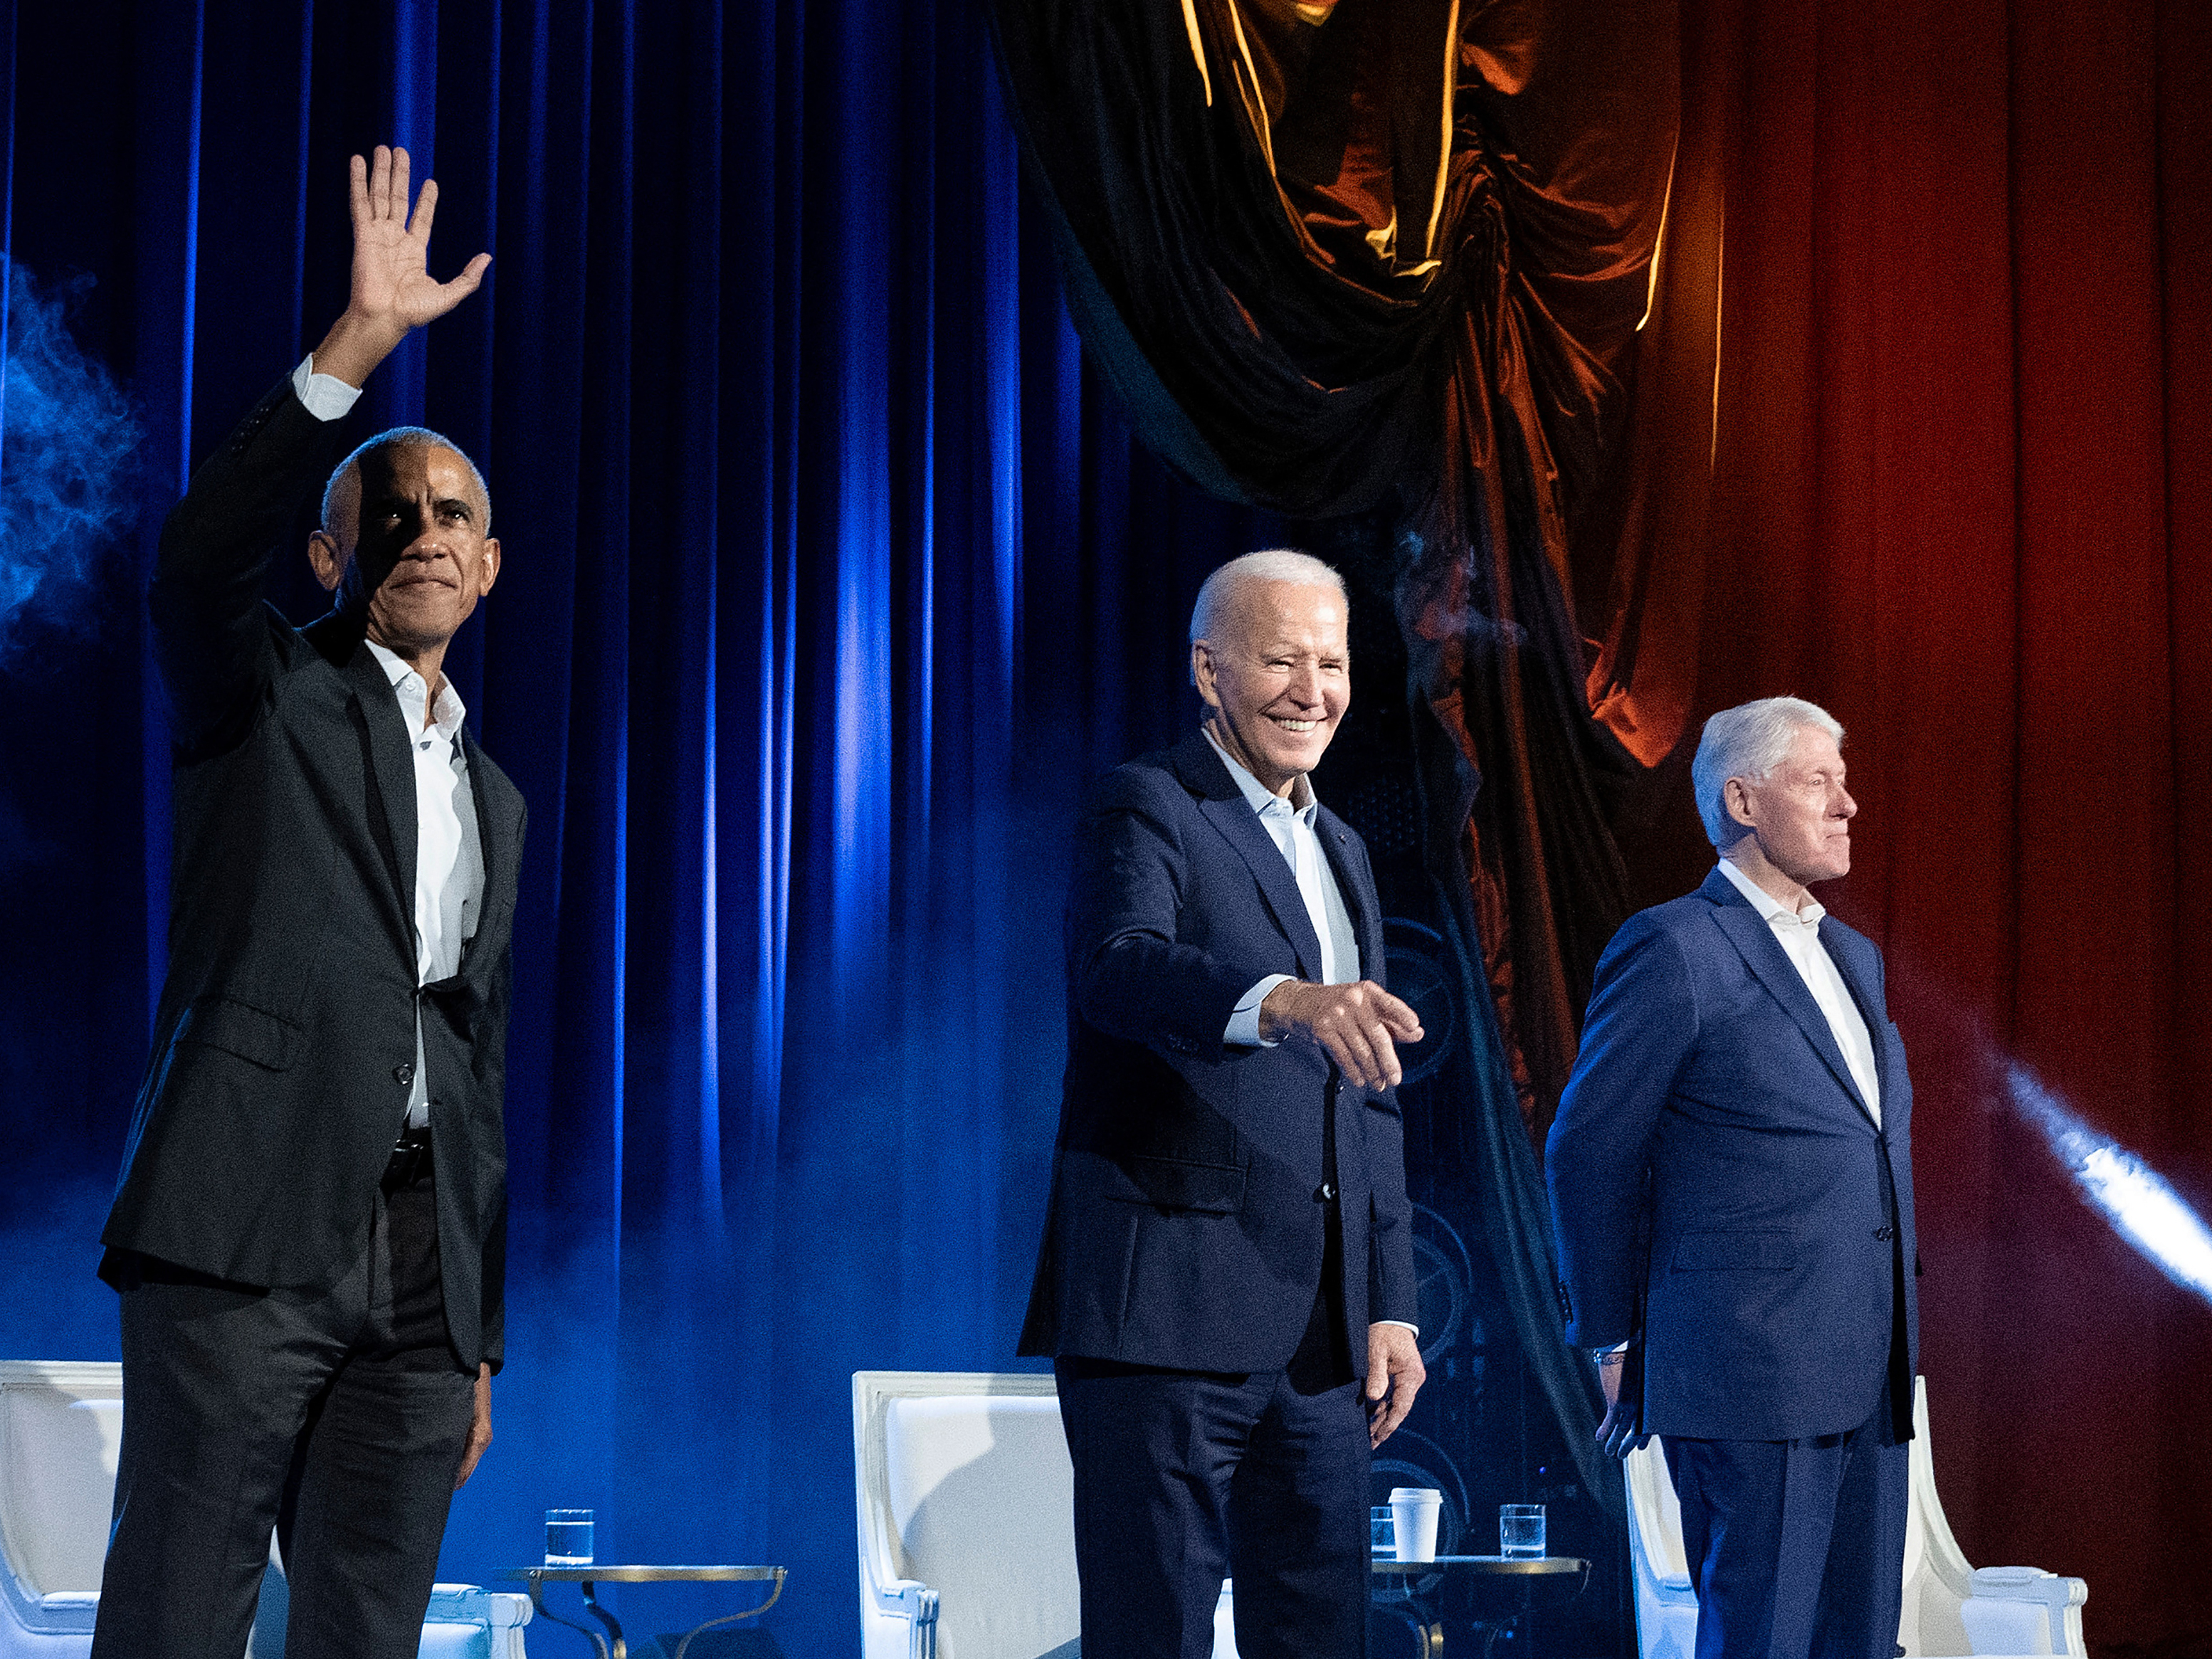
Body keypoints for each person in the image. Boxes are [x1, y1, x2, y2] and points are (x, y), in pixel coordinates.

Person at [92, 145, 523, 1659]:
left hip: (418, 1272)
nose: (424, 531)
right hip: (245, 1223)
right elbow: (199, 558)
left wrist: (478, 1325)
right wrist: (354, 350)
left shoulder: (500, 795)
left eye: (451, 513)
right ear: (335, 553)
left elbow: (476, 1056)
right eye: (387, 514)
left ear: (487, 564)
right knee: (178, 1616)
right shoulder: (265, 691)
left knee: (368, 1629)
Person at [1019, 549, 1428, 1659]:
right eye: (1281, 659)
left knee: (1322, 1638)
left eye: (1332, 663)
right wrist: (1284, 1000)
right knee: (1155, 1635)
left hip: (1322, 1337)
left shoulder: (1342, 847)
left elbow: (1371, 1099)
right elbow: (1119, 968)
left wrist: (1389, 1301)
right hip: (1165, 1321)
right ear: (1209, 670)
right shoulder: (1148, 801)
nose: (1313, 690)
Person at [1547, 697, 1918, 1659]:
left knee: (1859, 1641)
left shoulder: (1854, 957)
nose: (1848, 806)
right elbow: (1589, 1149)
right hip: (1748, 1369)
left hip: (1866, 1364)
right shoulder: (1675, 946)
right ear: (1744, 799)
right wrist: (1611, 1335)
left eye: (1844, 782)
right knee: (1764, 1640)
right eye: (1818, 782)